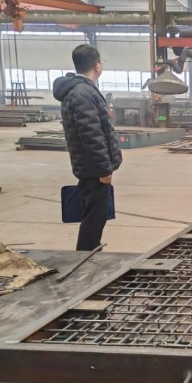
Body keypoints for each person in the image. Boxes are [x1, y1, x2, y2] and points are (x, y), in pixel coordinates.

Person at [53, 44, 122, 251]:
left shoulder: (78, 90)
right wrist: (104, 169)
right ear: (97, 66)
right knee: (94, 218)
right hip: (93, 168)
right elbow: (92, 135)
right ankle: (85, 255)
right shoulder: (83, 93)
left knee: (94, 215)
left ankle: (89, 250)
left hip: (88, 165)